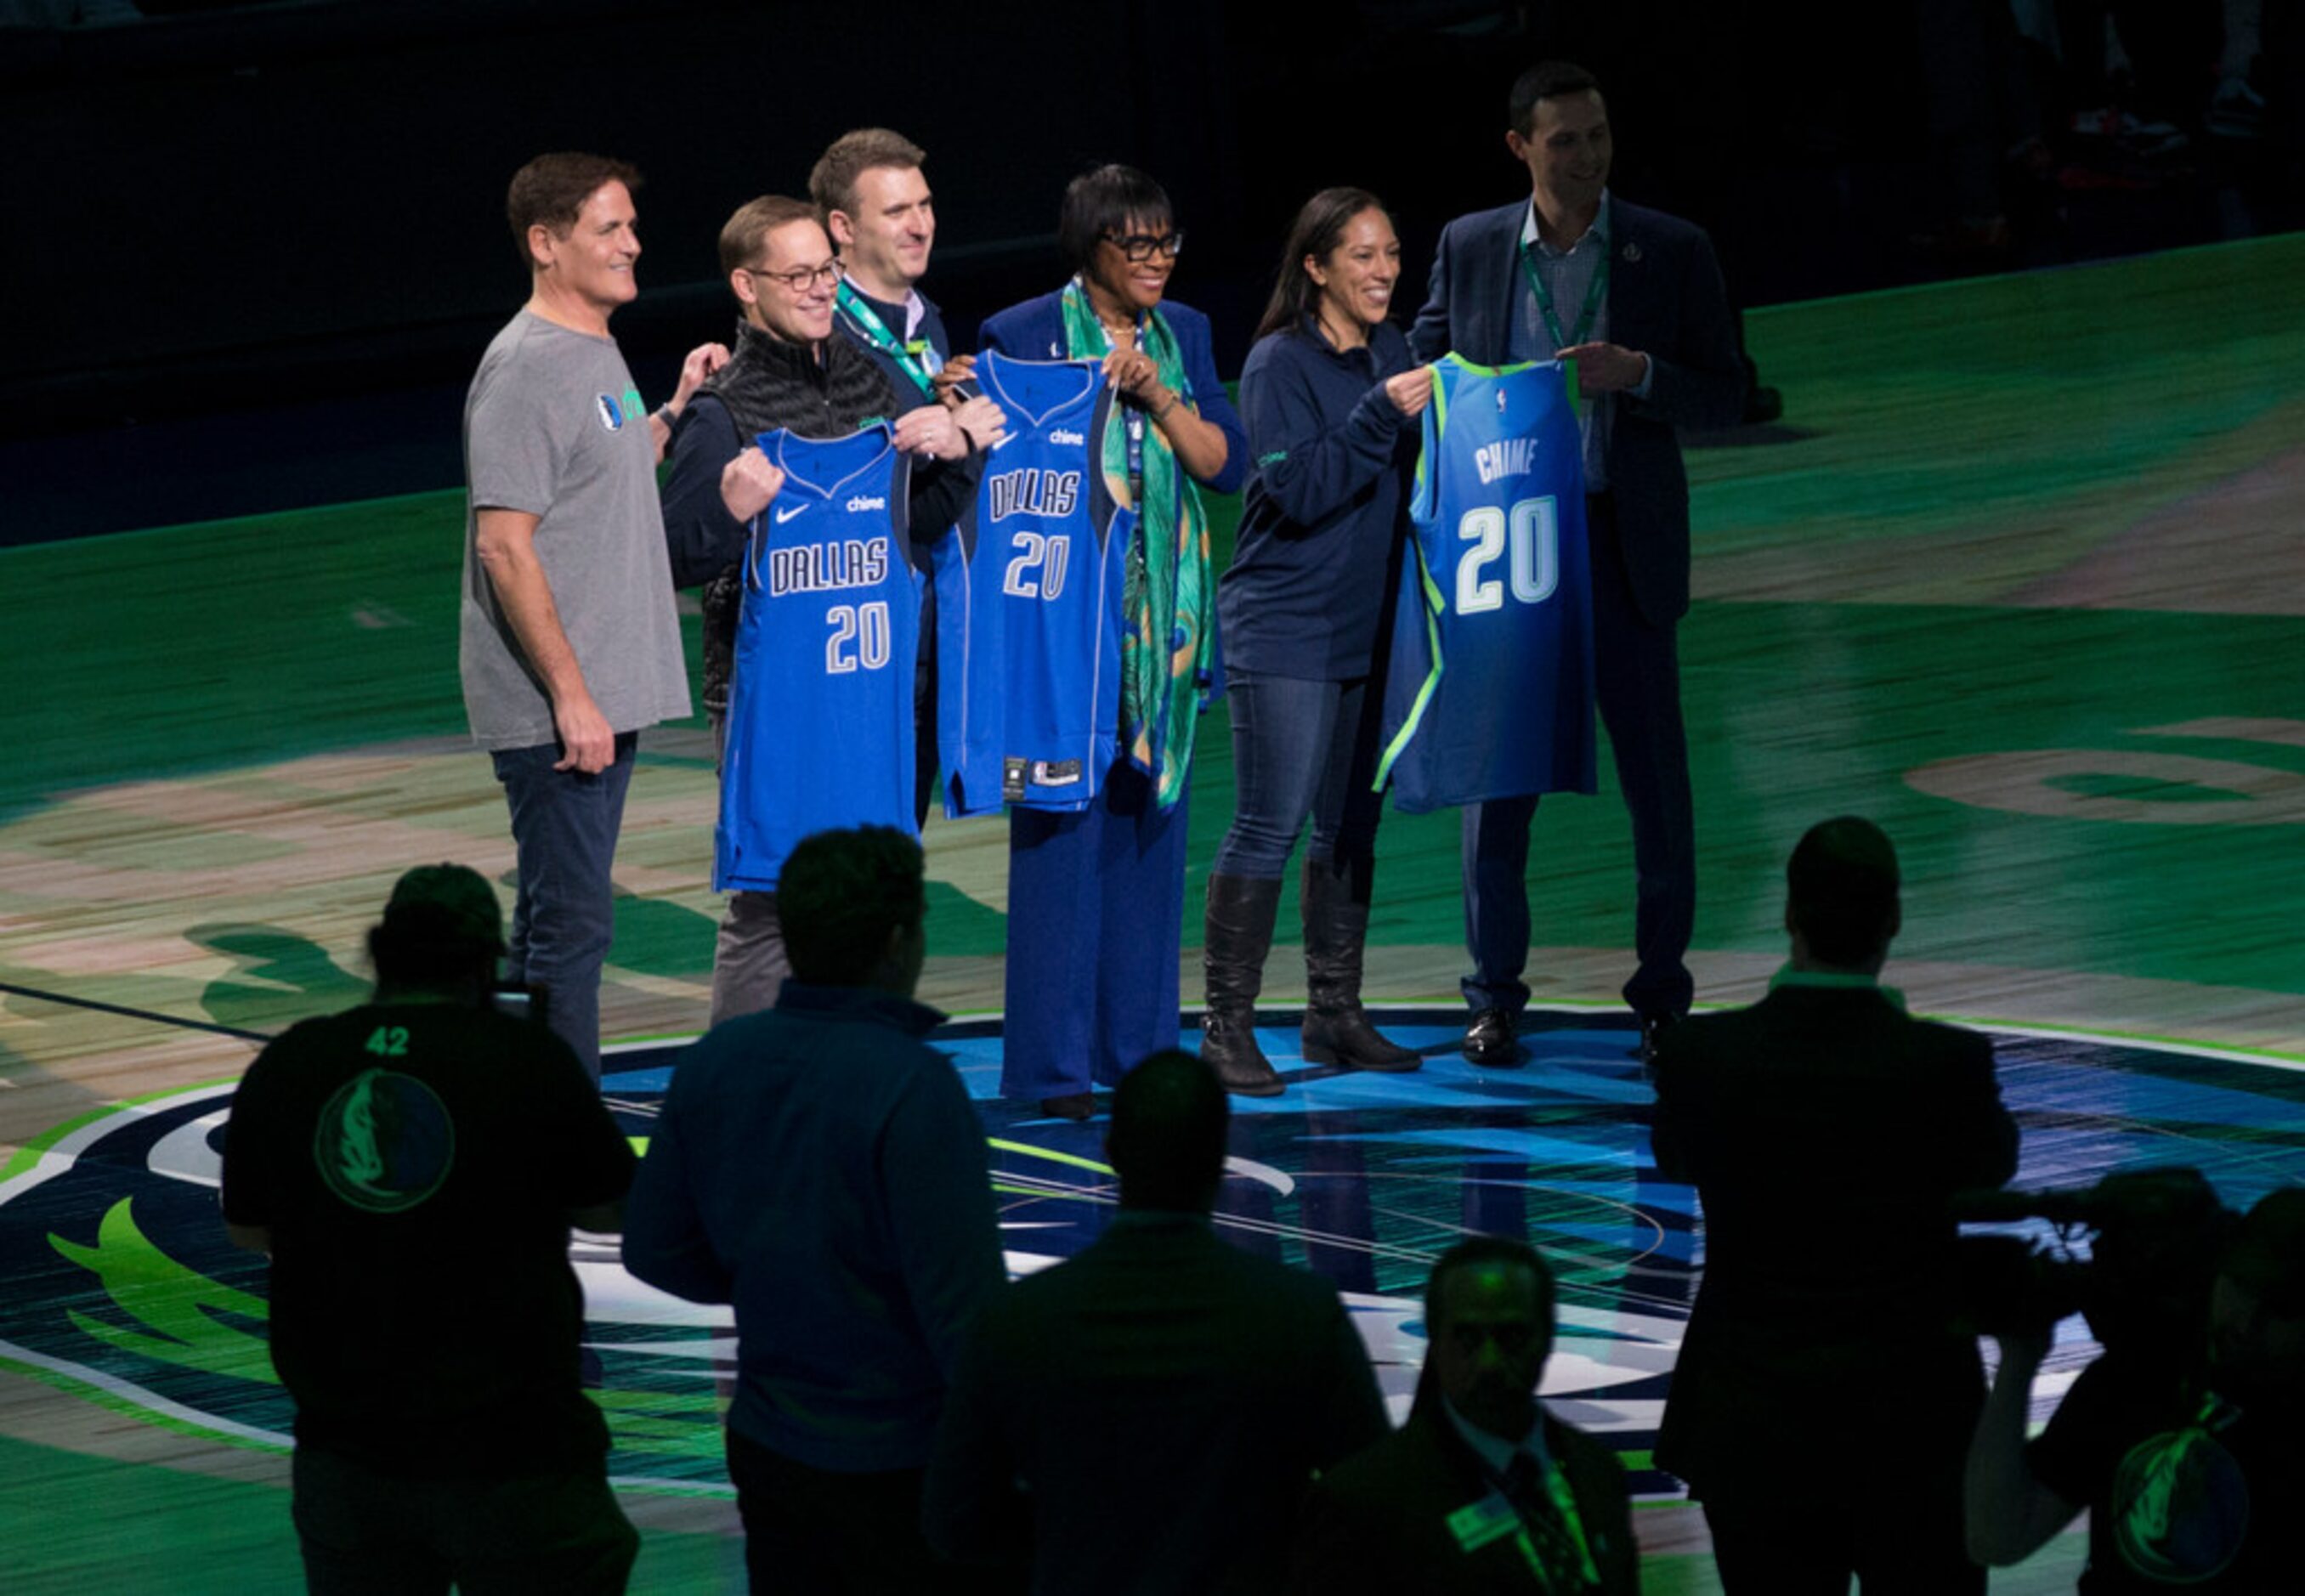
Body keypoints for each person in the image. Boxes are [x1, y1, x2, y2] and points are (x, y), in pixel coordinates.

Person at [1408, 62, 1746, 1069]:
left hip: (1621, 542)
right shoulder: (1470, 248)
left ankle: (1662, 999)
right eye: (1564, 141)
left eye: (1598, 135)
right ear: (1520, 148)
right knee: (1496, 783)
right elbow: (1428, 364)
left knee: (1658, 789)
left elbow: (1729, 392)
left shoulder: (1671, 249)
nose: (1588, 156)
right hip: (1511, 549)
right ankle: (1493, 1000)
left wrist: (1640, 374)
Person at [220, 863, 639, 1593]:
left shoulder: (295, 1060)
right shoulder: (527, 1060)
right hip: (512, 1458)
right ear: (488, 963)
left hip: (348, 1455)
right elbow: (610, 1210)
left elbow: (248, 1232)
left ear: (379, 951)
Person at [621, 824, 1005, 1593]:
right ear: (901, 942)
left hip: (770, 1443)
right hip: (900, 1458)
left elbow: (653, 1248)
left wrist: (773, 1276)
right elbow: (966, 1320)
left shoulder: (714, 1063)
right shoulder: (915, 1087)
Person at [1649, 816, 2020, 1593]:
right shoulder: (1944, 1065)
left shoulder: (1702, 1059)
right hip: (1913, 1433)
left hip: (1753, 1429)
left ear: (1790, 916)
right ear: (1892, 921)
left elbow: (1675, 1157)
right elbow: (1992, 1168)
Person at [658, 195, 999, 1027]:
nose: (819, 290)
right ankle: (747, 1082)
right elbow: (673, 556)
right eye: (798, 274)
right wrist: (729, 514)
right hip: (769, 693)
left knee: (880, 885)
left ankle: (860, 1061)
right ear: (747, 285)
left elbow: (912, 523)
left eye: (828, 271)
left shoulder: (868, 377)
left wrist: (960, 453)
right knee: (773, 902)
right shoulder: (724, 409)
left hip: (876, 683)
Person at [978, 162, 1249, 1121]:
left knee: (1149, 834)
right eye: (1137, 244)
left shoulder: (1190, 336)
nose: (1157, 260)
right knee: (1059, 841)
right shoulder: (1021, 334)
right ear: (1090, 249)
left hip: (1166, 635)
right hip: (1065, 631)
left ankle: (1137, 1055)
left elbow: (1225, 467)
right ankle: (1050, 1072)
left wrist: (1162, 396)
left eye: (1168, 241)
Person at [924, 1049, 1389, 1591]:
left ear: (1111, 1152)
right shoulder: (1301, 1316)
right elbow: (1374, 1505)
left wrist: (1069, 1547)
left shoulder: (1020, 1320)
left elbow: (954, 1521)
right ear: (1222, 1159)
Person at [460, 151, 716, 1079]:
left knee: (550, 924)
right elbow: (504, 542)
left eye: (630, 226)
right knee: (572, 931)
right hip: (563, 710)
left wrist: (674, 414)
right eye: (608, 228)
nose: (632, 243)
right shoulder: (527, 368)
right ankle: (561, 1144)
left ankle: (512, 1106)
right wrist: (571, 696)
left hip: (602, 695)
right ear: (545, 243)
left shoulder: (590, 348)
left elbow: (594, 477)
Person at [1200, 187, 1428, 1097]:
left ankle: (1334, 1013)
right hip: (1284, 624)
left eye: (1392, 255)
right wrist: (1378, 415)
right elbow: (1299, 491)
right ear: (1317, 267)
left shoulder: (1395, 349)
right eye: (1364, 257)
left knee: (1350, 822)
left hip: (1366, 626)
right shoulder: (1275, 363)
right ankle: (1227, 1028)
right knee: (1272, 821)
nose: (1383, 273)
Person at [1968, 1185, 2305, 1591]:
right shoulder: (2140, 1376)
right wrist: (2018, 1363)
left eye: (2282, 1309)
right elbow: (1998, 1539)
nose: (2246, 1322)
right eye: (2238, 1286)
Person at [1288, 1237, 1640, 1594]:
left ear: (1548, 1338)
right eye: (1467, 1338)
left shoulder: (1599, 1471)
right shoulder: (1362, 1504)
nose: (1490, 1364)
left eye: (1512, 1337)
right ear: (1434, 1343)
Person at [811, 127, 965, 824]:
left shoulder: (924, 322)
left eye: (925, 205)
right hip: (859, 647)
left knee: (901, 842)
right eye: (898, 211)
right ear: (842, 227)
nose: (921, 224)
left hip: (926, 628)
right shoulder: (821, 335)